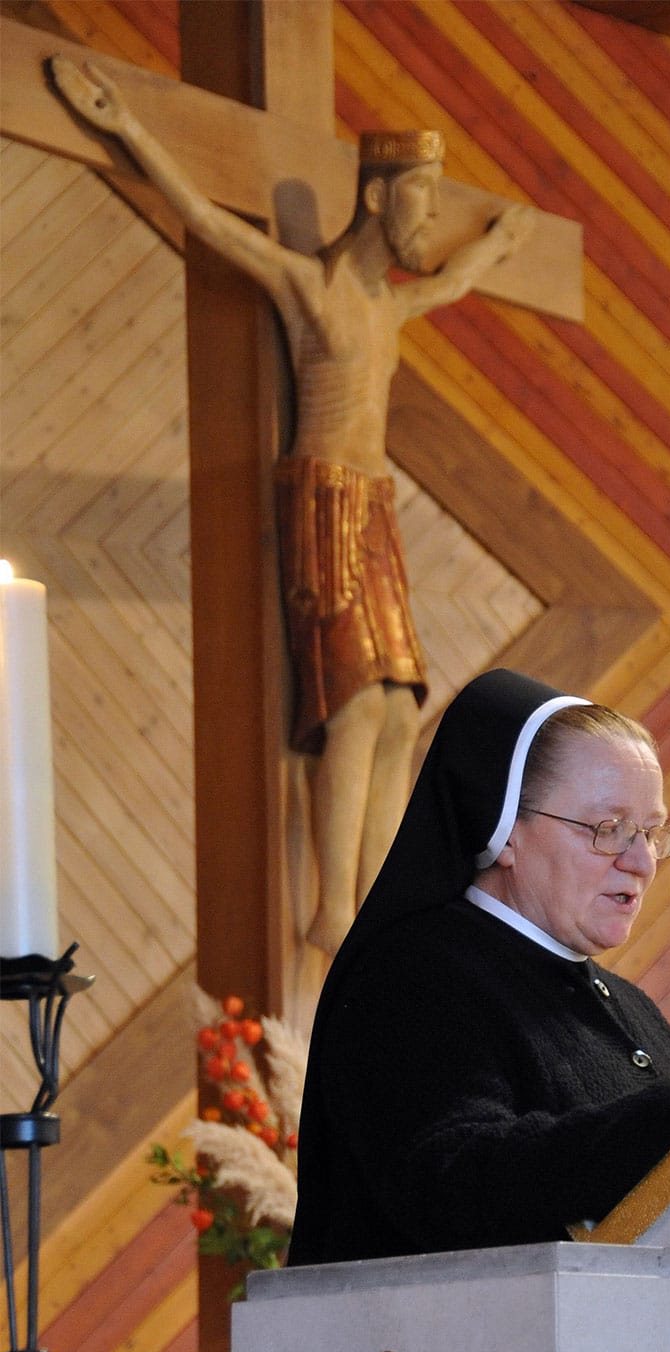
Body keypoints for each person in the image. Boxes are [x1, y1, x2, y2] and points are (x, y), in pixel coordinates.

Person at [49, 56, 534, 956]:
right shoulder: (316, 289)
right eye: (421, 203)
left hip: (376, 508)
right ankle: (330, 909)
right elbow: (204, 221)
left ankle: (379, 896)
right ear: (381, 199)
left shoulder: (389, 309)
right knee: (351, 703)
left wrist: (497, 247)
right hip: (325, 504)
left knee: (397, 710)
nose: (429, 222)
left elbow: (451, 283)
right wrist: (128, 127)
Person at [287, 668, 670, 1265]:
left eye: (652, 831)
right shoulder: (412, 975)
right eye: (609, 829)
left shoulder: (629, 1005)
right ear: (505, 831)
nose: (641, 861)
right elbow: (453, 1185)